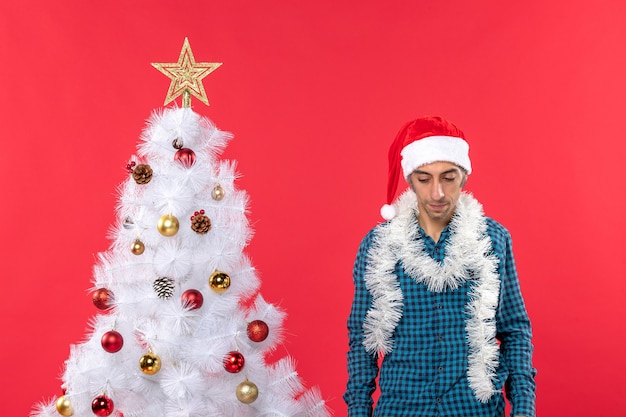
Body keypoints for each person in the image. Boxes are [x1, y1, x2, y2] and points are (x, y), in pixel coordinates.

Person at [344, 116, 536, 417]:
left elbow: (514, 329)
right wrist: (358, 412)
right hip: (401, 409)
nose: (437, 193)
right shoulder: (378, 245)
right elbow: (362, 339)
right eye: (424, 179)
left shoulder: (493, 239)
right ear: (410, 180)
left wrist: (524, 409)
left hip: (475, 410)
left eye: (448, 177)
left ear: (465, 176)